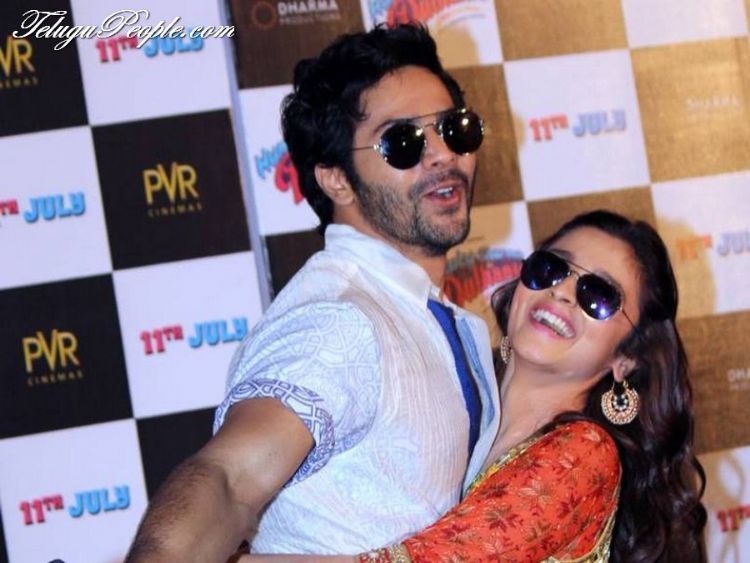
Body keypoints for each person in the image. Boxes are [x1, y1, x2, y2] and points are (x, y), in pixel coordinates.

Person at [125, 23, 500, 562]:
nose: (443, 155)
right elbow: (229, 479)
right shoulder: (340, 320)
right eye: (403, 142)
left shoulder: (421, 310)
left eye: (454, 129)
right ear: (336, 180)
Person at [241, 210, 707, 562]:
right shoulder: (456, 403)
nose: (563, 292)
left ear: (626, 359)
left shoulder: (584, 453)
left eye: (598, 296)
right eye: (552, 268)